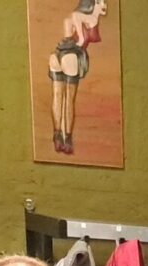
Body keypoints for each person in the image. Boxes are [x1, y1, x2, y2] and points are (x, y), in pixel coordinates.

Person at [48, 0, 107, 154]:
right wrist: (81, 38)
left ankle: (57, 135)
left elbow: (69, 24)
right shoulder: (89, 18)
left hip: (57, 53)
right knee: (69, 99)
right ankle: (67, 138)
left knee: (57, 96)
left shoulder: (76, 19)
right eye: (101, 2)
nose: (104, 4)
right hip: (71, 56)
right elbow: (76, 16)